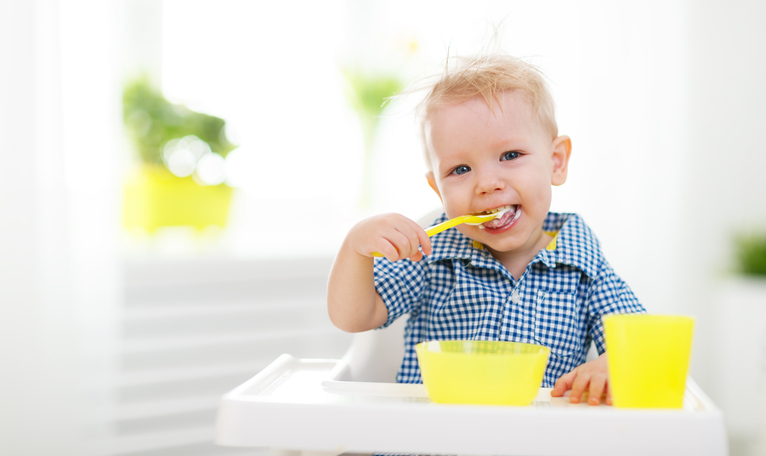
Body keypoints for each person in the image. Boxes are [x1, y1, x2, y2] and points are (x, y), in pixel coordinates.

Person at [327, 54, 645, 405]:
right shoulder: (431, 253)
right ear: (438, 189)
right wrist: (355, 248)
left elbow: (642, 342)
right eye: (460, 169)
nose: (487, 184)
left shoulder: (583, 261)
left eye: (510, 155)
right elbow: (352, 317)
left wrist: (612, 363)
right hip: (434, 438)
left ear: (556, 162)